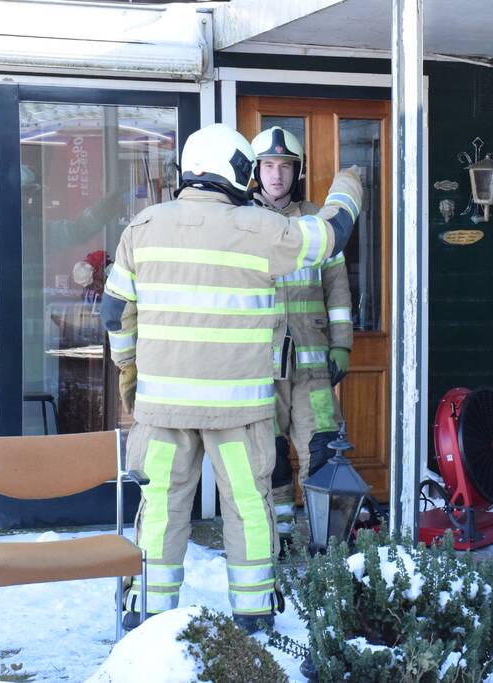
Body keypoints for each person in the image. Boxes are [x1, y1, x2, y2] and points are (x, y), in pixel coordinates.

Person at [100, 123, 363, 633]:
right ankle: (254, 615)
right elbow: (332, 236)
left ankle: (149, 621)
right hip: (239, 413)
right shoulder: (258, 229)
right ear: (237, 171)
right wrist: (349, 184)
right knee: (247, 506)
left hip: (162, 412)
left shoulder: (143, 226)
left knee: (162, 509)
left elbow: (115, 316)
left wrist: (130, 377)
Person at [249, 126, 355, 550]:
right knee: (268, 455)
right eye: (270, 166)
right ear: (257, 171)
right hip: (259, 366)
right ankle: (281, 536)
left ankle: (323, 539)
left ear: (298, 172)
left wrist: (342, 344)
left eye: (286, 166)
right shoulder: (243, 223)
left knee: (323, 449)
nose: (277, 175)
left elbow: (338, 289)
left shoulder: (319, 222)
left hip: (313, 367)